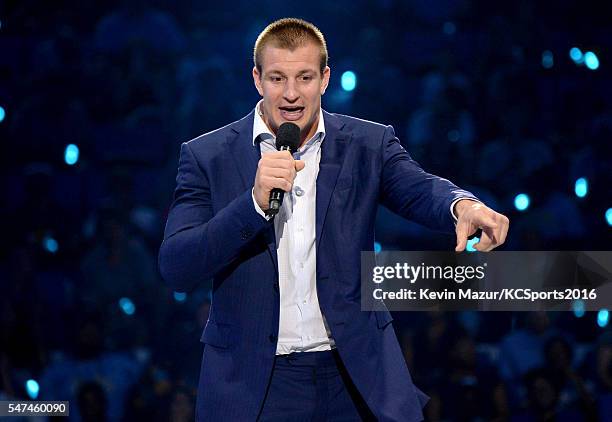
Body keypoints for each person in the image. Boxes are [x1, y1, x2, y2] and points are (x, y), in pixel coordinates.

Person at [159, 18, 509, 421]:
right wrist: (252, 205)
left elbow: (419, 187)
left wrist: (462, 205)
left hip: (355, 374)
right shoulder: (207, 156)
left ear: (325, 78)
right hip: (257, 382)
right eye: (277, 78)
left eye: (304, 77)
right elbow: (177, 266)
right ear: (257, 79)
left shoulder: (368, 143)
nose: (291, 94)